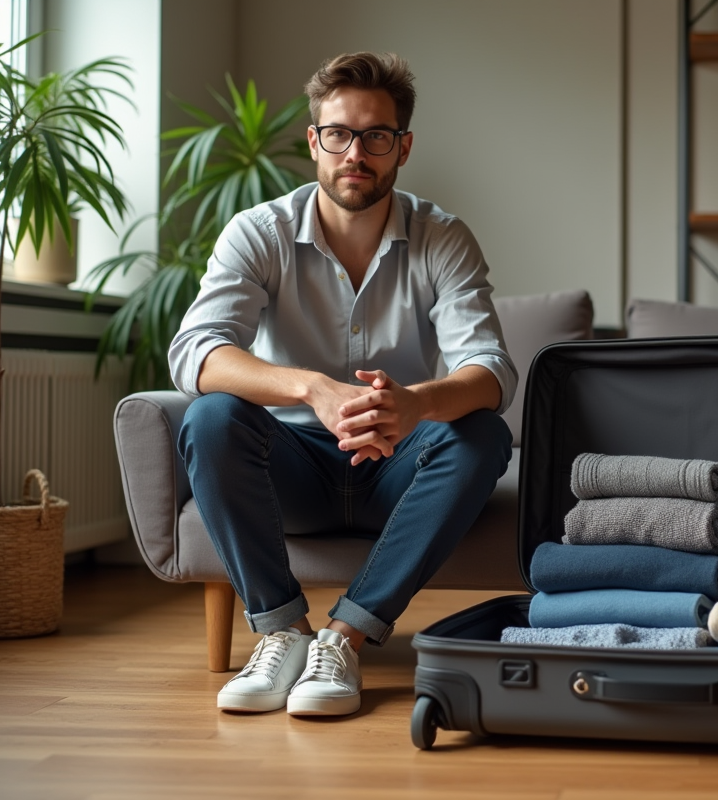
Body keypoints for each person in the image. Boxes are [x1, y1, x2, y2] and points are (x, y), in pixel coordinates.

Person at [169, 52, 516, 717]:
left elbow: (490, 369)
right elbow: (196, 353)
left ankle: (344, 638)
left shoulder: (443, 237)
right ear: (314, 141)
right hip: (291, 468)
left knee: (480, 435)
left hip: (396, 470)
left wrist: (414, 404)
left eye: (376, 136)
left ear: (402, 147)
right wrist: (311, 389)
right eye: (339, 134)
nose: (355, 152)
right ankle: (282, 633)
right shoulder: (259, 232)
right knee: (211, 417)